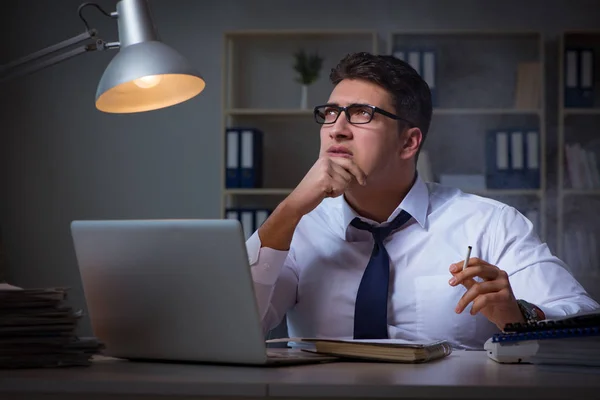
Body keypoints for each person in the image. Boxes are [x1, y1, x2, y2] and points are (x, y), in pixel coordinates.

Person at [245, 52, 599, 350]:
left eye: (361, 113)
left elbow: (583, 315)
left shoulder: (491, 224)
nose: (337, 128)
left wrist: (519, 315)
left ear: (408, 143)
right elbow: (234, 326)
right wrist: (290, 210)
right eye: (331, 112)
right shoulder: (296, 227)